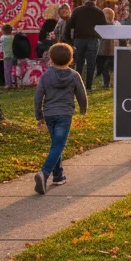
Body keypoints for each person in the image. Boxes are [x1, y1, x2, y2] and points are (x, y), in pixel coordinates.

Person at [33, 42, 88, 194]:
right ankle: (44, 173)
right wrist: (83, 110)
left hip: (49, 114)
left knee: (55, 145)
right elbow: (81, 95)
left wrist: (39, 116)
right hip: (65, 114)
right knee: (58, 145)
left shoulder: (45, 76)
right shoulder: (74, 75)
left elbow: (38, 97)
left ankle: (58, 176)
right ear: (71, 59)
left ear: (50, 59)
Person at [66, 0, 107, 90]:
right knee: (91, 63)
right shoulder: (99, 12)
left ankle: (78, 85)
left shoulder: (77, 10)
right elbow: (104, 27)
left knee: (79, 62)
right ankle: (88, 86)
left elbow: (70, 25)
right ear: (95, 0)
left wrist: (70, 40)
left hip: (79, 39)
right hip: (93, 39)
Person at [96, 7, 116, 88]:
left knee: (105, 68)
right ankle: (106, 82)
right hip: (109, 50)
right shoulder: (114, 24)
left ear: (107, 16)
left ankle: (106, 83)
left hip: (105, 50)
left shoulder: (106, 24)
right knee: (105, 68)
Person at [0, 24, 16, 88]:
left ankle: (8, 84)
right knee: (13, 70)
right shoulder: (12, 37)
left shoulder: (2, 38)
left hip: (6, 56)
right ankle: (14, 83)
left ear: (3, 31)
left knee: (7, 70)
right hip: (13, 55)